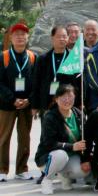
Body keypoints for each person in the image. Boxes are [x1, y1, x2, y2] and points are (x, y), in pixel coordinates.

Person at [36, 85, 86, 195]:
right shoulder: (50, 117)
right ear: (56, 99)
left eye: (70, 97)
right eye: (63, 97)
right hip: (50, 156)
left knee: (83, 170)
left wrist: (85, 158)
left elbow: (85, 137)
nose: (67, 100)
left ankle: (64, 175)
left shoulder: (78, 114)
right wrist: (71, 146)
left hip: (70, 156)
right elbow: (49, 143)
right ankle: (47, 179)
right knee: (60, 155)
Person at [0, 21, 35, 182]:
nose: (20, 37)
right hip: (6, 105)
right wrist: (12, 99)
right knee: (3, 137)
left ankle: (22, 169)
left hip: (26, 105)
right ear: (10, 37)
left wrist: (29, 100)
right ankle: (2, 170)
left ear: (27, 37)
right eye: (16, 35)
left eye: (23, 34)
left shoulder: (33, 57)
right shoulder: (4, 57)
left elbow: (37, 82)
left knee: (24, 137)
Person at [31, 26, 77, 113]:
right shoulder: (42, 59)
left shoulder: (73, 59)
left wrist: (79, 103)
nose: (62, 39)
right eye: (58, 36)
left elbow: (79, 83)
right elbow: (36, 83)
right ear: (52, 38)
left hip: (67, 103)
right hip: (46, 103)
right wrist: (34, 105)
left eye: (64, 36)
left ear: (68, 38)